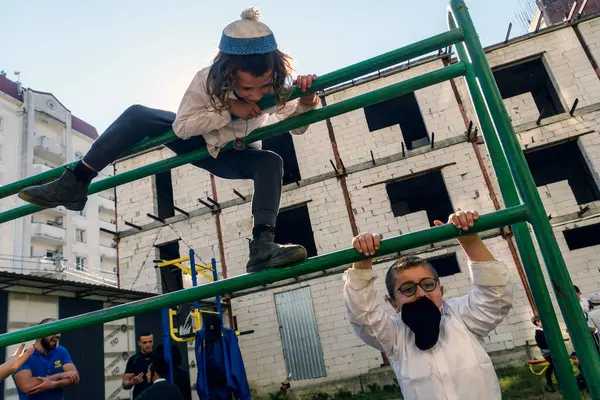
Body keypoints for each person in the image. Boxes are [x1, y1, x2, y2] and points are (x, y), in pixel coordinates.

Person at [17, 7, 319, 274]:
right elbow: (183, 126)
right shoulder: (207, 80)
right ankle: (75, 182)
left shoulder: (276, 87)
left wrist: (307, 99)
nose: (256, 95)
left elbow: (298, 127)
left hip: (236, 154)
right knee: (138, 115)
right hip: (199, 141)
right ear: (227, 75)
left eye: (262, 87)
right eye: (246, 88)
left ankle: (263, 246)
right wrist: (230, 109)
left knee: (271, 161)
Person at [343, 209, 513, 400]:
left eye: (428, 285)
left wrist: (470, 241)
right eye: (407, 288)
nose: (421, 293)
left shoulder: (461, 317)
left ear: (441, 290)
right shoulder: (395, 337)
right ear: (394, 303)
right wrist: (362, 263)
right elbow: (363, 318)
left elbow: (496, 296)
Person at [12, 318, 80, 399]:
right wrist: (60, 376)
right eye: (53, 331)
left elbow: (75, 377)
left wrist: (53, 385)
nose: (58, 335)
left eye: (59, 331)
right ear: (40, 333)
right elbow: (27, 386)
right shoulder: (23, 356)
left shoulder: (61, 351)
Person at [123, 332, 154, 399]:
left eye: (150, 341)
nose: (148, 345)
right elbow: (125, 384)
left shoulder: (158, 356)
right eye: (145, 342)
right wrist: (132, 382)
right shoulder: (134, 360)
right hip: (139, 397)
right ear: (139, 343)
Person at [532, 316, 557, 392]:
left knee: (551, 367)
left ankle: (549, 383)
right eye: (541, 321)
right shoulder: (538, 333)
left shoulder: (543, 330)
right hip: (547, 353)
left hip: (551, 351)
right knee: (555, 366)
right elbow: (541, 344)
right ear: (537, 322)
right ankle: (551, 384)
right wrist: (550, 345)